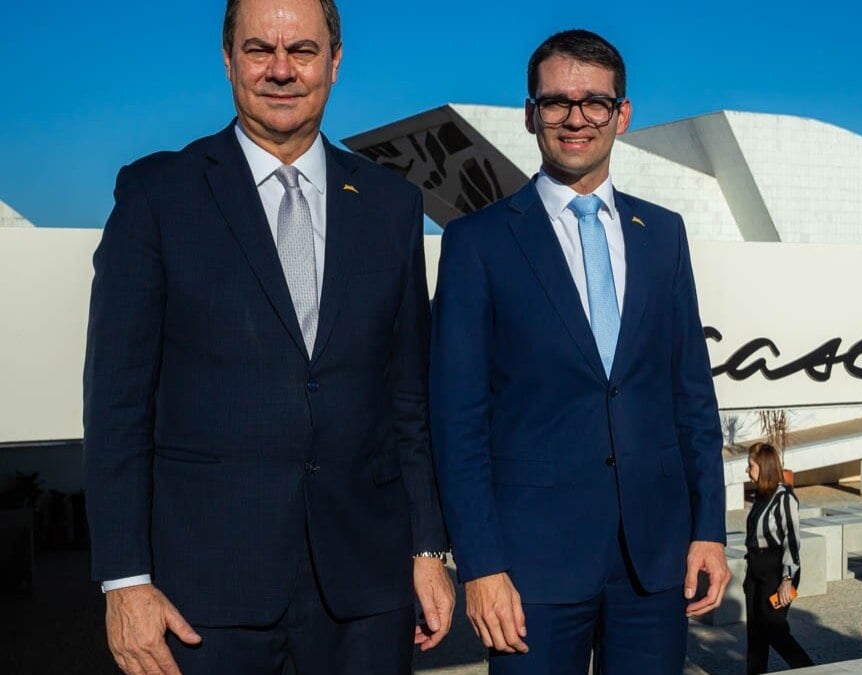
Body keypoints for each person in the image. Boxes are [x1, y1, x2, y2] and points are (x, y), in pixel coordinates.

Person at [83, 1, 453, 672]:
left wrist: (429, 547)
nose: (281, 70)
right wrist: (123, 579)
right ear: (228, 60)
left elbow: (408, 397)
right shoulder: (157, 194)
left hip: (367, 592)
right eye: (259, 50)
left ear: (334, 62)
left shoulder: (393, 204)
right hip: (205, 597)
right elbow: (117, 405)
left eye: (303, 51)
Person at [430, 29, 729, 674]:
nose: (575, 118)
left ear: (622, 114)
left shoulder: (664, 236)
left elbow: (692, 399)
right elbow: (457, 422)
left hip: (654, 564)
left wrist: (709, 528)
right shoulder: (477, 244)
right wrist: (480, 566)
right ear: (531, 114)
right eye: (557, 102)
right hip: (531, 569)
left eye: (594, 102)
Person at [744, 443, 815, 674]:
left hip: (777, 569)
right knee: (755, 632)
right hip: (756, 569)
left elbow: (792, 540)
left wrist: (787, 578)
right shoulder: (760, 496)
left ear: (763, 467)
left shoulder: (785, 498)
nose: (747, 470)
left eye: (751, 465)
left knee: (774, 629)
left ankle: (809, 670)